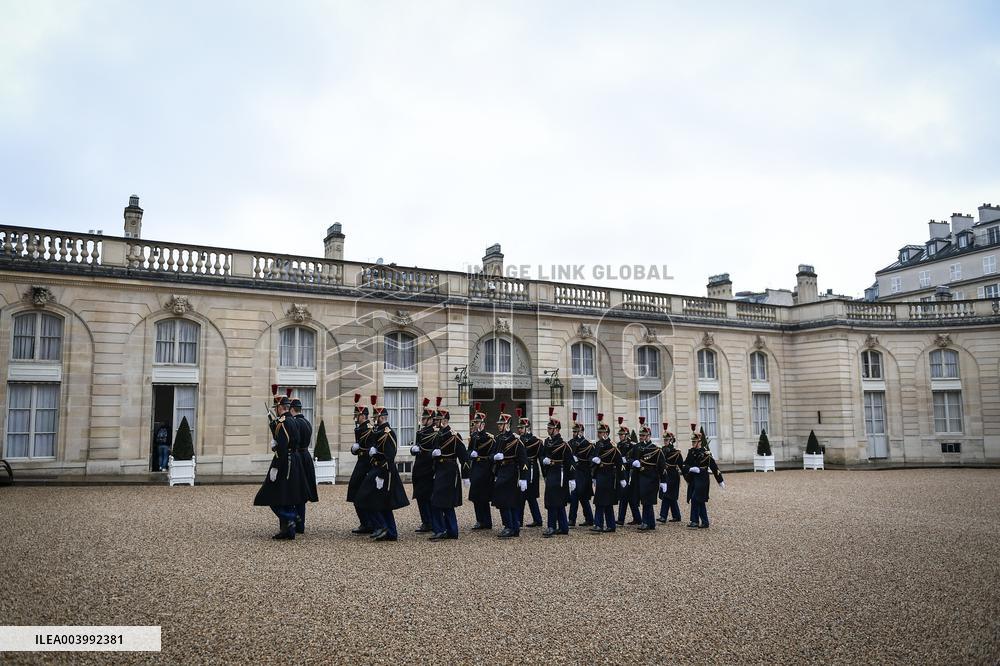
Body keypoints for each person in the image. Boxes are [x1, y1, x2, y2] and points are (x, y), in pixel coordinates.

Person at [253, 390, 311, 540]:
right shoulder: (292, 420)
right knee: (287, 496)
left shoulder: (283, 422)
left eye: (276, 407)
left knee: (270, 495)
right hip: (295, 460)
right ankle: (288, 531)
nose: (275, 410)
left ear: (280, 407)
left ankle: (292, 517)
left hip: (285, 462)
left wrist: (275, 465)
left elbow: (283, 447)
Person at [354, 397, 410, 541]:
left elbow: (390, 456)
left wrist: (377, 455)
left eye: (376, 418)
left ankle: (382, 527)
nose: (374, 420)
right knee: (383, 503)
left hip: (384, 471)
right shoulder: (379, 432)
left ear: (382, 418)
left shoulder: (388, 433)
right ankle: (391, 533)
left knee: (367, 499)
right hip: (377, 469)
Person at [428, 402, 470, 541]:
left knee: (442, 502)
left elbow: (464, 458)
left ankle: (443, 530)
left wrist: (466, 476)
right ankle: (450, 531)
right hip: (439, 471)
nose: (436, 422)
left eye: (438, 420)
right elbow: (432, 453)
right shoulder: (438, 435)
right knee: (440, 502)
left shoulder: (454, 436)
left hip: (450, 471)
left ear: (444, 421)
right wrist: (433, 454)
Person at [490, 404, 529, 538]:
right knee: (502, 501)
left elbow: (524, 460)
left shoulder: (515, 440)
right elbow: (491, 455)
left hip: (512, 471)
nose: (499, 426)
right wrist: (495, 457)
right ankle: (509, 525)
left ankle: (512, 527)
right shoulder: (498, 438)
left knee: (510, 501)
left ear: (507, 425)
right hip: (502, 470)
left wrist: (524, 477)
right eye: (499, 424)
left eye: (501, 424)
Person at [540, 407, 576, 538]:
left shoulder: (563, 445)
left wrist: (572, 479)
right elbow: (542, 455)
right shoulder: (547, 442)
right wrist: (544, 460)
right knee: (557, 500)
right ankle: (564, 527)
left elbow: (571, 463)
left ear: (557, 429)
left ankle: (551, 526)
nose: (548, 430)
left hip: (559, 473)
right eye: (548, 428)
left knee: (553, 500)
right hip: (550, 472)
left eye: (550, 428)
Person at [683, 424, 726, 529]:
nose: (693, 443)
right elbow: (685, 464)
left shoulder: (706, 454)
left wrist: (720, 480)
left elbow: (714, 467)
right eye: (692, 442)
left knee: (695, 498)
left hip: (702, 479)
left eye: (694, 442)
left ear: (699, 442)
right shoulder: (691, 452)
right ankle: (705, 522)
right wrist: (690, 469)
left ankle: (694, 521)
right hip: (693, 479)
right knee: (700, 500)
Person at [629, 417, 667, 531]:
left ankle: (646, 522)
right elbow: (628, 458)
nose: (641, 437)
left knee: (647, 500)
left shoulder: (655, 449)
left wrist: (664, 481)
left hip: (651, 478)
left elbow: (662, 466)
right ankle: (651, 523)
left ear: (649, 436)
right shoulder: (636, 447)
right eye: (640, 435)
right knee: (645, 501)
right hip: (639, 478)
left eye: (643, 435)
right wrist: (633, 462)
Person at [347, 394, 376, 535]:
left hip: (367, 465)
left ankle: (369, 523)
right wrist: (355, 449)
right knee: (354, 491)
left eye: (357, 415)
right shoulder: (360, 429)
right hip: (361, 463)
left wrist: (360, 449)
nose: (356, 418)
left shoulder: (369, 429)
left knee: (363, 494)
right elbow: (360, 447)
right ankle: (365, 522)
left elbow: (370, 449)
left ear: (363, 416)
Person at [590, 414, 623, 533]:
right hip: (600, 474)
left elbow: (619, 463)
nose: (599, 434)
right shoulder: (598, 444)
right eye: (599, 432)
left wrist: (622, 478)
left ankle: (600, 524)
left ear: (606, 433)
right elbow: (592, 457)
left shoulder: (612, 445)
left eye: (601, 432)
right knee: (603, 501)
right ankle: (609, 525)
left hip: (609, 475)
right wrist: (594, 462)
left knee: (603, 501)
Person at [289, 397, 318, 535]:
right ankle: (301, 524)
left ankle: (295, 522)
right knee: (302, 491)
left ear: (291, 409)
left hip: (298, 457)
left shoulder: (294, 423)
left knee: (295, 491)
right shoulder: (307, 422)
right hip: (306, 456)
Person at [409, 397, 437, 533]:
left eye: (425, 418)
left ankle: (431, 521)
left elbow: (434, 451)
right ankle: (425, 521)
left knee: (427, 497)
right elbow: (417, 446)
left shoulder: (435, 433)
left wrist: (422, 451)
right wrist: (413, 450)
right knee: (420, 497)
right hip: (418, 468)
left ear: (431, 419)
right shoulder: (420, 432)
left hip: (428, 469)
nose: (423, 420)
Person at [467, 402, 495, 530]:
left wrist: (488, 459)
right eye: (475, 423)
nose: (475, 425)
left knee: (483, 497)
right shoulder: (473, 436)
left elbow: (493, 454)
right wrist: (470, 454)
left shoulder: (489, 438)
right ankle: (479, 520)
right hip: (475, 467)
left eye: (477, 423)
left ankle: (487, 522)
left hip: (485, 468)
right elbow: (468, 451)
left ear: (483, 424)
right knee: (475, 497)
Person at [517, 410, 544, 528]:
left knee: (531, 497)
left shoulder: (534, 440)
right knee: (520, 497)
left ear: (527, 428)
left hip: (532, 469)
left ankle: (537, 520)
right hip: (522, 469)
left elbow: (541, 457)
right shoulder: (519, 439)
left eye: (522, 428)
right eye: (519, 427)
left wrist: (546, 474)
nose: (519, 430)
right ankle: (519, 520)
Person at [567, 413, 595, 527]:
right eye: (573, 432)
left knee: (577, 496)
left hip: (583, 473)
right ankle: (589, 519)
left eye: (576, 432)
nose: (573, 433)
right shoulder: (570, 443)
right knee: (581, 498)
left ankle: (572, 519)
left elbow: (590, 460)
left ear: (581, 432)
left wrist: (578, 459)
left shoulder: (587, 444)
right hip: (574, 473)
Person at [615, 417, 641, 526]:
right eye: (619, 434)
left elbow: (636, 460)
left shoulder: (633, 446)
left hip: (630, 473)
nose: (620, 436)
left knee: (631, 498)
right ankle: (621, 518)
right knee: (623, 497)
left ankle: (637, 518)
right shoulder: (619, 445)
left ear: (627, 435)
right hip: (622, 472)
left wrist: (628, 461)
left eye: (622, 435)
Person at [657, 426, 684, 523]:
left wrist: (688, 478)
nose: (665, 441)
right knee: (671, 497)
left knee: (667, 495)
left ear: (671, 440)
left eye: (667, 439)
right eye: (664, 439)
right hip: (664, 474)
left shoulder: (676, 453)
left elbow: (682, 466)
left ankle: (663, 516)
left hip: (673, 475)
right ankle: (677, 516)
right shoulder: (661, 450)